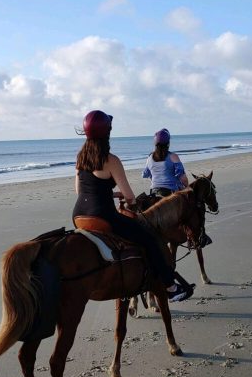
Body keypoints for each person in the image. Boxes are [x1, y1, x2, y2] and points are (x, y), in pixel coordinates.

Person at [73, 111, 192, 302]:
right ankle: (170, 287)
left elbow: (81, 191)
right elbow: (129, 195)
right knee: (149, 239)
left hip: (79, 216)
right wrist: (130, 201)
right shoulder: (111, 160)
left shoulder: (80, 158)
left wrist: (110, 194)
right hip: (103, 216)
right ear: (107, 133)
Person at [142, 128, 189, 197]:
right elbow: (183, 178)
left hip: (154, 191)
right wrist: (187, 187)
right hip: (171, 192)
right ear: (168, 143)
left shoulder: (150, 158)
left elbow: (145, 174)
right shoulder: (174, 157)